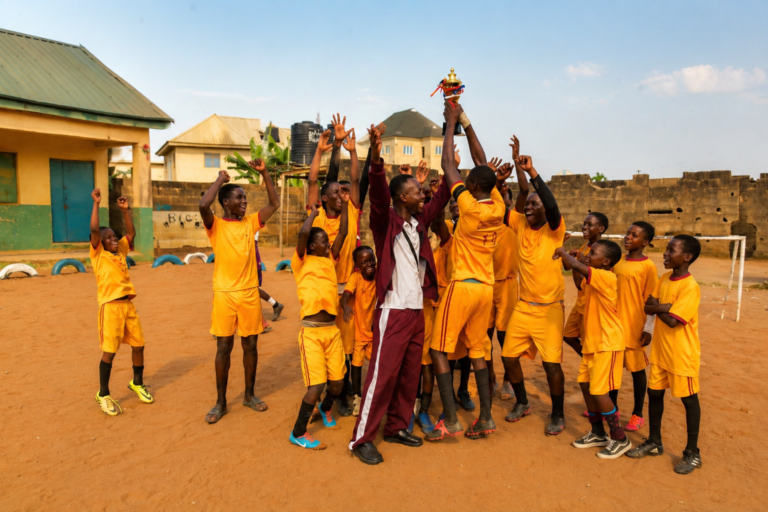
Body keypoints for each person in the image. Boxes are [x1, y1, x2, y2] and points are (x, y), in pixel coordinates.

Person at [348, 121, 451, 465]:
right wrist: (376, 157)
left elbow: (442, 197)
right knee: (381, 376)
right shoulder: (385, 221)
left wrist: (450, 164)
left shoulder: (418, 222)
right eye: (417, 192)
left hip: (415, 311)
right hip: (392, 311)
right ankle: (362, 438)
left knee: (408, 375)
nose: (423, 195)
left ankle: (396, 426)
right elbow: (377, 194)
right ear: (402, 197)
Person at [426, 100, 505, 441]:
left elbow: (447, 165)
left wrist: (449, 123)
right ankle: (486, 417)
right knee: (477, 351)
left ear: (471, 187)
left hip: (463, 285)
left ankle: (452, 421)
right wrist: (466, 121)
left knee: (438, 349)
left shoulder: (469, 207)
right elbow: (483, 163)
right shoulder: (497, 205)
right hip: (485, 289)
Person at [199, 160, 280, 424]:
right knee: (223, 347)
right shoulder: (216, 226)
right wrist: (221, 180)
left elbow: (274, 204)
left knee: (251, 345)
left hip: (248, 293)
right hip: (224, 293)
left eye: (245, 197)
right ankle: (220, 402)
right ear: (225, 202)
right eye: (239, 197)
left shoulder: (250, 223)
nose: (244, 201)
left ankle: (249, 395)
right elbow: (202, 205)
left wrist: (265, 172)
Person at [500, 149, 568, 436]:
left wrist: (532, 172)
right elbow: (499, 207)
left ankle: (557, 413)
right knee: (508, 357)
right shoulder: (518, 225)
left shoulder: (554, 230)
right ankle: (523, 402)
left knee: (552, 366)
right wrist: (495, 179)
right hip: (524, 306)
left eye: (534, 204)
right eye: (527, 204)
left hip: (550, 308)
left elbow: (551, 205)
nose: (528, 207)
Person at [627, 235, 703, 475]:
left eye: (672, 250)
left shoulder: (690, 287)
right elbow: (649, 307)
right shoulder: (663, 278)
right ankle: (654, 441)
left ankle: (692, 453)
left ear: (687, 257)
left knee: (689, 401)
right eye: (667, 249)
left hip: (682, 355)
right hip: (660, 353)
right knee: (655, 396)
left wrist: (658, 307)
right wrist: (661, 308)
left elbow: (672, 321)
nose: (666, 254)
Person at [556, 240, 633, 459]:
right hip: (593, 343)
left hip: (608, 343)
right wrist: (578, 260)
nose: (589, 254)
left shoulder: (607, 277)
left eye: (593, 253)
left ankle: (619, 438)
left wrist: (563, 252)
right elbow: (578, 277)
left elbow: (576, 266)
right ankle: (598, 433)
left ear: (607, 261)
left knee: (599, 391)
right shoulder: (594, 280)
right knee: (586, 384)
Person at [307, 115, 360, 416]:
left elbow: (351, 180)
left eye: (344, 192)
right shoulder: (316, 217)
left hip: (349, 286)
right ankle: (332, 388)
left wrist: (348, 149)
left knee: (350, 342)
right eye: (336, 193)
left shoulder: (351, 208)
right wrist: (326, 149)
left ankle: (347, 393)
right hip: (325, 288)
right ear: (327, 199)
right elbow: (318, 180)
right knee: (330, 341)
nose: (342, 194)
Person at [289, 194, 350, 449]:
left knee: (337, 383)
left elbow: (344, 233)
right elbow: (303, 234)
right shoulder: (301, 261)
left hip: (332, 332)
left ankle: (326, 409)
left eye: (328, 241)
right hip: (312, 333)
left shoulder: (328, 260)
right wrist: (313, 214)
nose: (328, 244)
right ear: (312, 246)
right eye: (324, 241)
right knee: (316, 385)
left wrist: (346, 204)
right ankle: (298, 433)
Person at [89, 189, 152, 416]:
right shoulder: (99, 255)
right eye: (109, 238)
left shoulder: (120, 252)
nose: (113, 238)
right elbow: (95, 229)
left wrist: (126, 211)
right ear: (99, 243)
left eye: (114, 236)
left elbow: (132, 234)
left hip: (128, 306)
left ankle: (137, 382)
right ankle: (103, 393)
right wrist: (97, 204)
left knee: (139, 345)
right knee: (110, 351)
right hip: (111, 307)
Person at [612, 221, 658, 432]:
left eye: (634, 235)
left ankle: (638, 413)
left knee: (637, 371)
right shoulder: (618, 261)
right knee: (611, 370)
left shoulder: (648, 267)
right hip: (614, 326)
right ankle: (611, 409)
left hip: (634, 326)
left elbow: (651, 302)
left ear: (645, 242)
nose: (628, 237)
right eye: (628, 233)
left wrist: (648, 328)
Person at [489, 155, 523, 401]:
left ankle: (508, 380)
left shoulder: (514, 222)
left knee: (506, 337)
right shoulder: (484, 221)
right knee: (484, 336)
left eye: (505, 198)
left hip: (507, 285)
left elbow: (523, 195)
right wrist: (495, 182)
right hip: (485, 284)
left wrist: (518, 167)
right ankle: (490, 377)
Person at [563, 212, 609, 356]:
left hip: (590, 307)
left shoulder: (602, 252)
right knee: (568, 335)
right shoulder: (584, 247)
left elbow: (583, 281)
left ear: (601, 229)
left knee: (589, 343)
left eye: (590, 225)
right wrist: (572, 259)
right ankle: (588, 360)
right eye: (584, 224)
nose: (585, 227)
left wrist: (578, 263)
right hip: (580, 304)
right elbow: (568, 269)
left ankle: (591, 365)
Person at [340, 245, 377, 417]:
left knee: (377, 366)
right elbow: (346, 294)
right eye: (364, 262)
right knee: (356, 366)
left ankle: (375, 397)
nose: (369, 264)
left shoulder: (378, 277)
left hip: (375, 333)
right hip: (359, 334)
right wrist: (346, 306)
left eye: (371, 260)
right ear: (357, 265)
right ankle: (357, 397)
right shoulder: (356, 278)